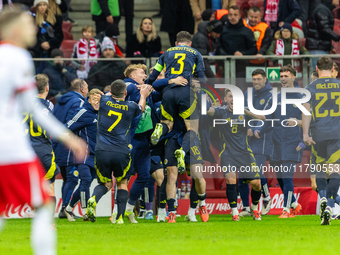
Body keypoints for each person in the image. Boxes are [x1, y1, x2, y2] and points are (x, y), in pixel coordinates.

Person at [0, 7, 87, 255]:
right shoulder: (18, 57)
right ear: (15, 29)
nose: (33, 29)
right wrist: (68, 137)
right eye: (28, 25)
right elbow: (35, 109)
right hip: (11, 147)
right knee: (44, 204)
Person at [148, 31, 209, 223]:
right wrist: (201, 88)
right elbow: (203, 77)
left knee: (175, 175)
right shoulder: (195, 53)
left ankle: (175, 213)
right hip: (185, 133)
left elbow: (153, 78)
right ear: (189, 43)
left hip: (169, 99)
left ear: (175, 42)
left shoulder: (166, 53)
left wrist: (158, 83)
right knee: (193, 173)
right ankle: (190, 209)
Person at [86, 79, 151, 223]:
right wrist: (143, 95)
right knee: (122, 183)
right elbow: (141, 107)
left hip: (102, 150)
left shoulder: (104, 101)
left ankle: (93, 199)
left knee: (106, 184)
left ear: (111, 91)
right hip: (121, 151)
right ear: (126, 93)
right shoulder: (131, 106)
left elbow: (103, 96)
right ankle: (120, 218)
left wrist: (107, 93)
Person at [207, 89, 265, 221]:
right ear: (226, 99)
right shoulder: (221, 111)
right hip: (228, 154)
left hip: (245, 153)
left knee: (256, 183)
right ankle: (234, 213)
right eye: (230, 96)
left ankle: (254, 209)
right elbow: (209, 112)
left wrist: (246, 112)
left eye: (235, 97)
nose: (232, 99)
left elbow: (263, 118)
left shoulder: (244, 111)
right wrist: (208, 103)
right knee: (231, 180)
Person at [256, 64, 304, 218]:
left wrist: (300, 126)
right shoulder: (275, 97)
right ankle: (294, 204)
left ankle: (286, 209)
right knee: (281, 178)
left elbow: (310, 119)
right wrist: (259, 130)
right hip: (276, 142)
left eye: (286, 75)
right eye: (281, 76)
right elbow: (269, 119)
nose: (283, 78)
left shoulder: (302, 96)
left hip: (293, 141)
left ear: (293, 77)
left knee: (287, 176)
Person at [302, 56, 340, 225]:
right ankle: (330, 206)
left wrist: (305, 134)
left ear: (316, 68)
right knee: (334, 171)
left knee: (319, 168)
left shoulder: (310, 88)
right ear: (332, 69)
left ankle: (323, 198)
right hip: (336, 134)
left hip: (317, 134)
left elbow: (306, 113)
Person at [64, 88, 102, 221]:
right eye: (94, 100)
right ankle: (86, 212)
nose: (97, 103)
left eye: (99, 100)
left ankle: (68, 209)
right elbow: (67, 127)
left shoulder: (102, 113)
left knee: (85, 183)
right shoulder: (83, 112)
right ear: (89, 99)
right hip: (83, 154)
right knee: (85, 180)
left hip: (96, 154)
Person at [238, 69, 273, 217]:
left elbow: (268, 117)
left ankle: (266, 198)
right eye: (254, 80)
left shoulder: (272, 96)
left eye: (259, 79)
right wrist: (246, 128)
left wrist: (254, 129)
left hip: (262, 138)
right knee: (242, 175)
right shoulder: (248, 94)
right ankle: (246, 208)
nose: (256, 82)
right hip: (247, 139)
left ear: (265, 79)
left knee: (256, 172)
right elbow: (242, 114)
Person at [53, 78, 89, 218]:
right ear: (81, 89)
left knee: (67, 178)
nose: (87, 90)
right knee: (72, 178)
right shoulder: (78, 102)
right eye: (86, 87)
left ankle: (64, 209)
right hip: (68, 144)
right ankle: (65, 209)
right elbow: (72, 124)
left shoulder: (60, 102)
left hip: (57, 143)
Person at [23, 74, 60, 205]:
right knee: (49, 187)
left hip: (24, 151)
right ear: (47, 89)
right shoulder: (48, 105)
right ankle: (49, 224)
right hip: (42, 149)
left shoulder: (21, 104)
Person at [306, 0, 340, 69]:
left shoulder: (324, 9)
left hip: (320, 46)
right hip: (317, 47)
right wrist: (337, 38)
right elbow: (323, 28)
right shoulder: (322, 10)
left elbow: (321, 31)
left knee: (321, 72)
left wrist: (330, 46)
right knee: (319, 72)